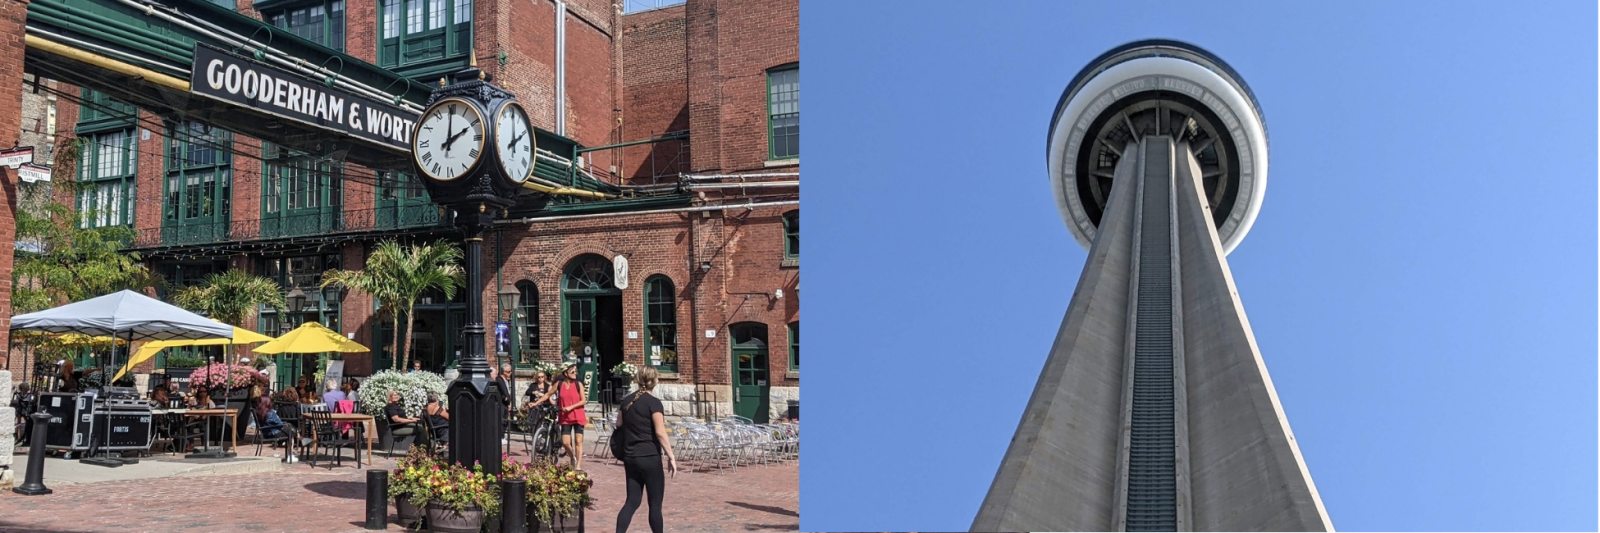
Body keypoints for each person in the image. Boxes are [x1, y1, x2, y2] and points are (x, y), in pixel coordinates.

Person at [614, 366, 677, 533]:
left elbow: (618, 424)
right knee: (655, 505)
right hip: (649, 457)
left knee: (632, 501)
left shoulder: (627, 401)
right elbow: (660, 433)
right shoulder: (654, 403)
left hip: (630, 456)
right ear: (655, 381)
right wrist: (671, 456)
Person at [533, 363, 587, 469]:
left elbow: (583, 400)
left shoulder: (578, 384)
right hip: (565, 416)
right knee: (565, 442)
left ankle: (578, 465)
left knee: (578, 441)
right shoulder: (559, 384)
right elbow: (548, 394)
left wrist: (571, 407)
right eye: (572, 371)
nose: (575, 373)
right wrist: (536, 403)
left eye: (576, 371)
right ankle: (572, 457)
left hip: (577, 415)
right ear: (566, 373)